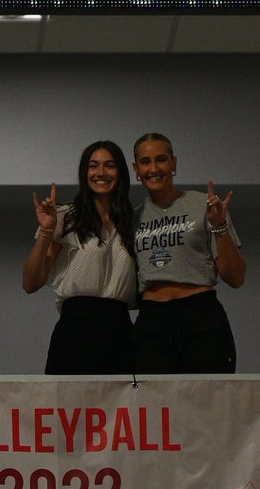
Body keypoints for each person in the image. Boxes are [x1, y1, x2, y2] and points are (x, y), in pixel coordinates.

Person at [130, 132, 246, 373]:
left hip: (200, 314)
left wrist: (219, 226)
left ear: (174, 163)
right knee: (156, 406)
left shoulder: (205, 205)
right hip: (152, 319)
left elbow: (236, 277)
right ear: (136, 169)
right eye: (145, 161)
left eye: (161, 159)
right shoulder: (132, 217)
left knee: (208, 403)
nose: (154, 168)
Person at [22, 140, 137, 375]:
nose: (101, 173)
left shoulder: (133, 221)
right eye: (93, 166)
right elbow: (30, 283)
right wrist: (46, 230)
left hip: (120, 327)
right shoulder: (65, 216)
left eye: (110, 165)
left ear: (121, 172)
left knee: (124, 411)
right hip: (76, 328)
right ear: (85, 173)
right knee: (71, 411)